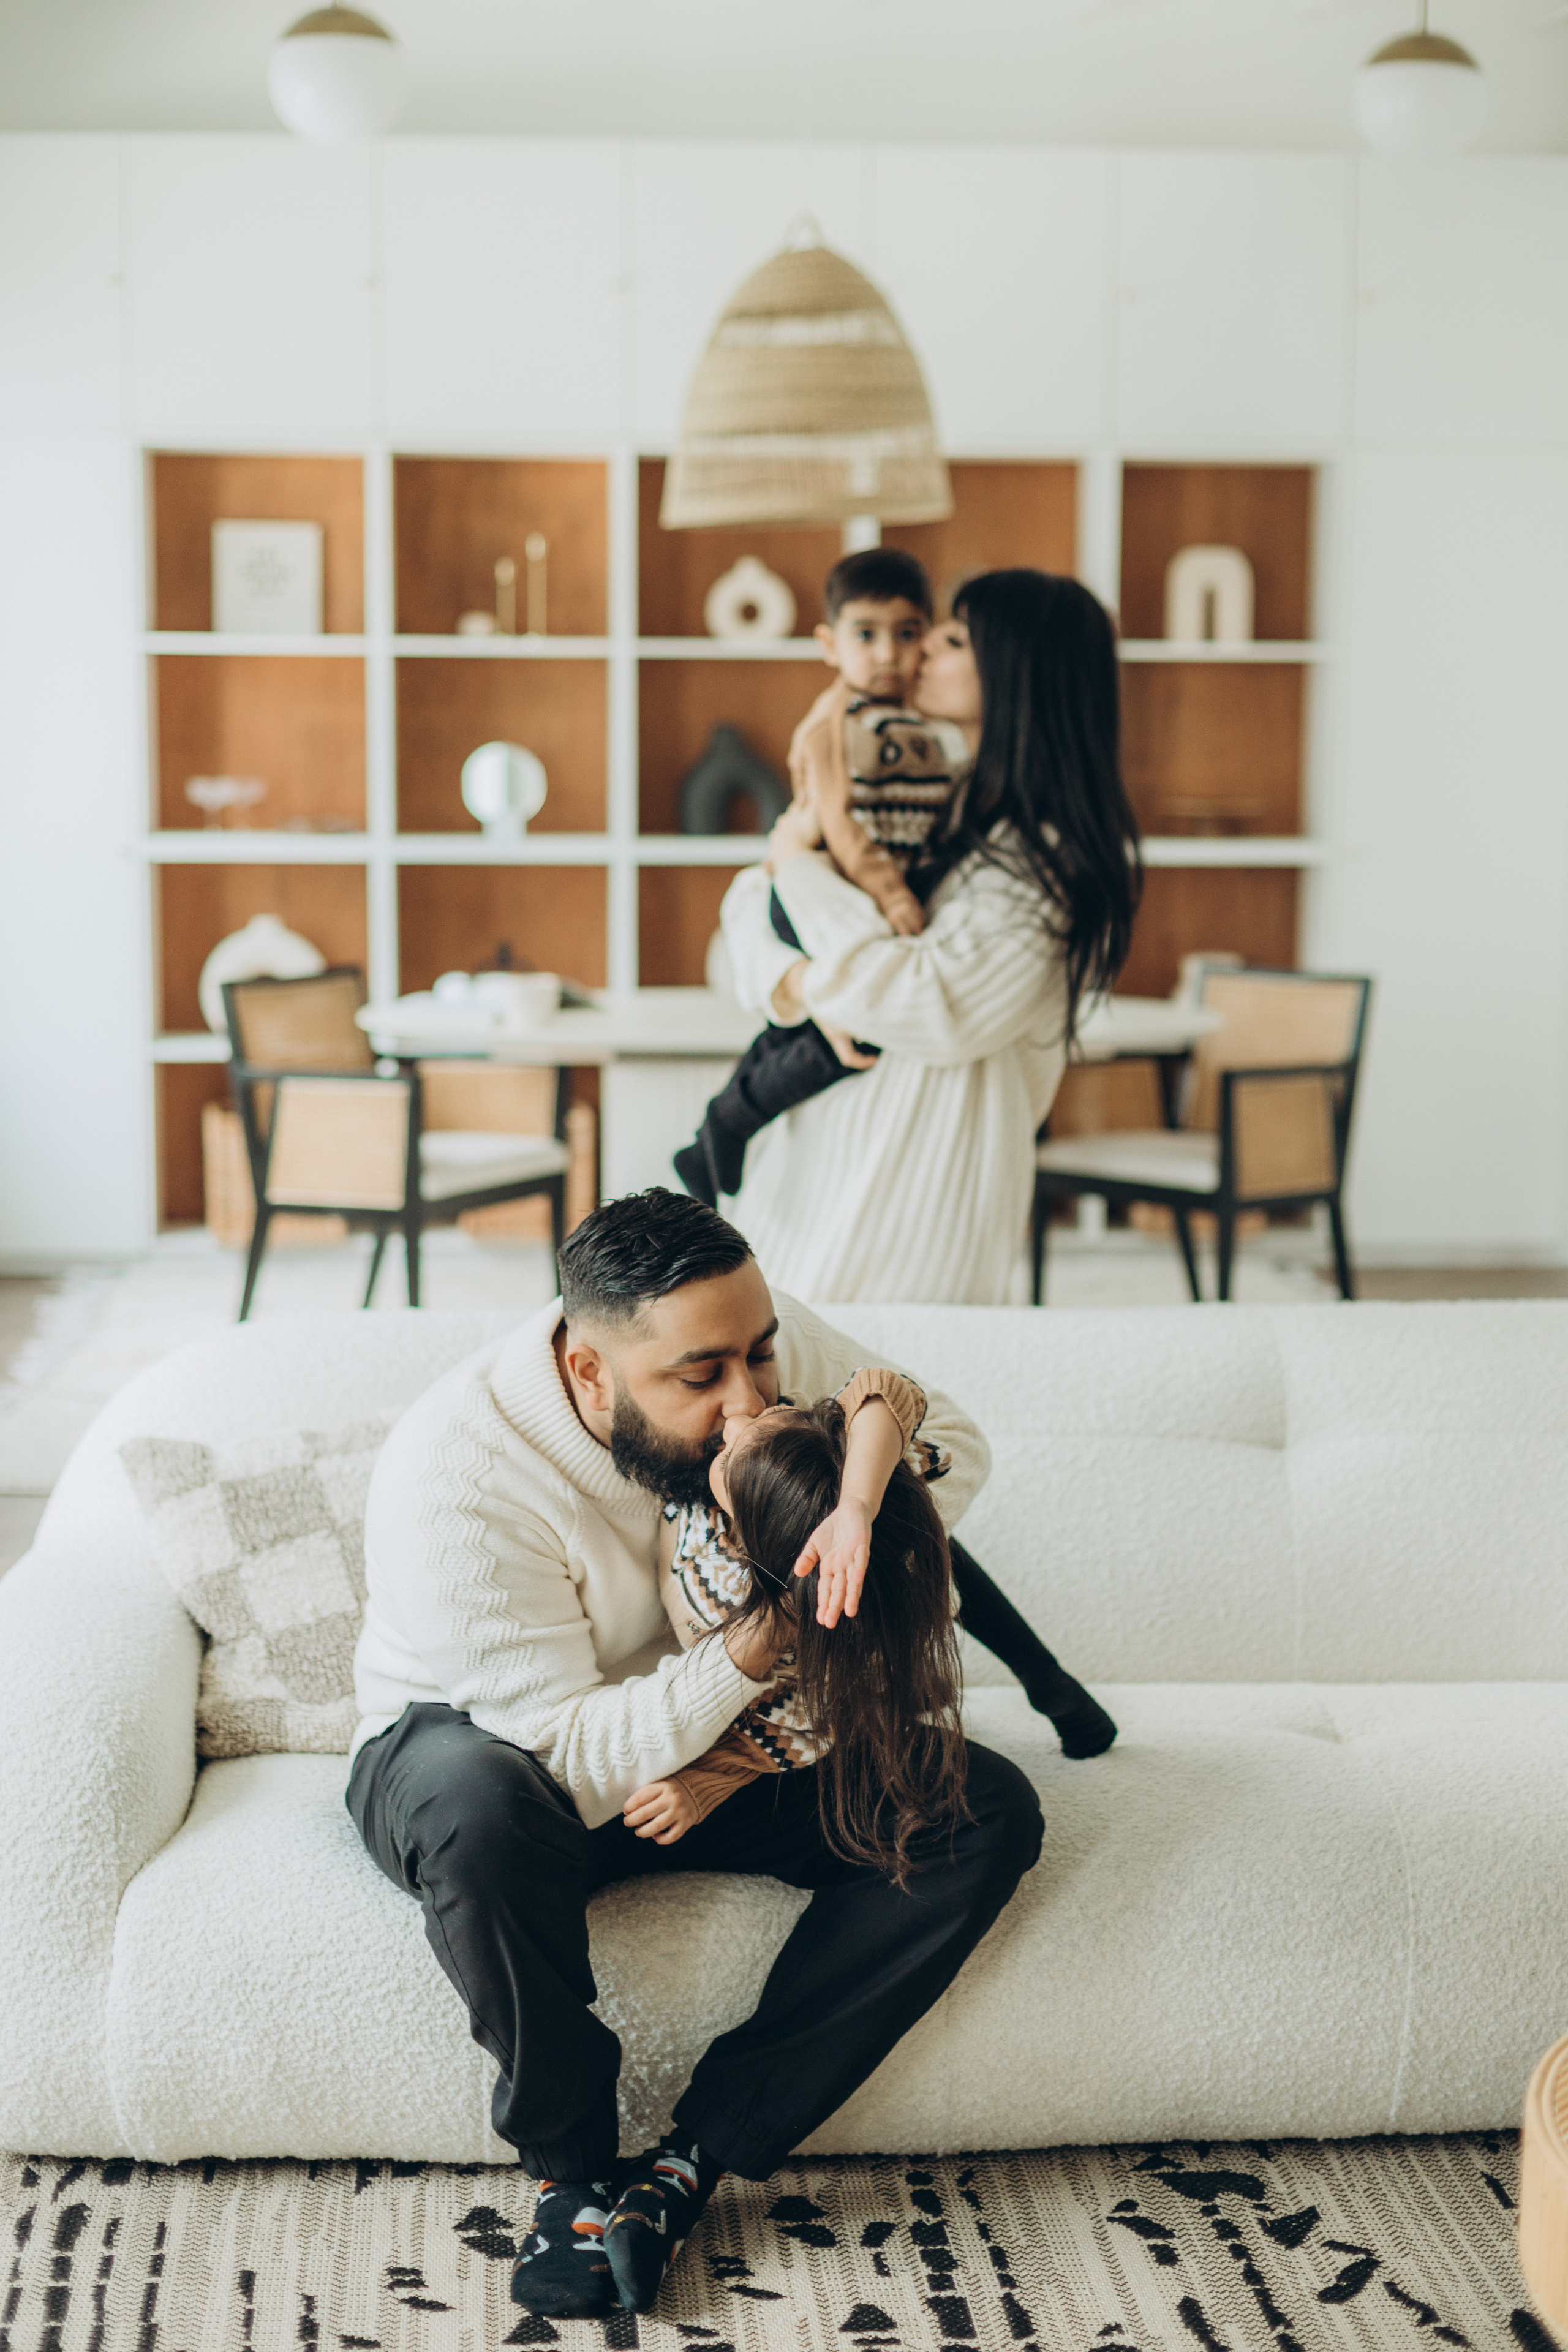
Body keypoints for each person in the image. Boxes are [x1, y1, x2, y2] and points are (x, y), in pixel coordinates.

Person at [347, 1188, 1050, 2320]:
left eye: (763, 1359)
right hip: (498, 1749)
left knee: (979, 1807)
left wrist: (846, 1512)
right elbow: (573, 1760)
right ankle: (571, 2174)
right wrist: (767, 1634)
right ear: (589, 1372)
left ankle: (690, 2165)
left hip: (733, 1739)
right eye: (700, 1379)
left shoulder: (745, 1344)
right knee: (483, 1816)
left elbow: (950, 1445)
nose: (750, 1403)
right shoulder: (456, 1469)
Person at [718, 567, 1144, 1303]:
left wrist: (797, 873)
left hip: (911, 1210)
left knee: (871, 1402)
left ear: (1016, 673)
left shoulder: (1042, 863)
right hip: (811, 1176)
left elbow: (931, 1005)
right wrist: (803, 986)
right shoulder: (921, 793)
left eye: (948, 640)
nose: (915, 655)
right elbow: (746, 909)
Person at [675, 547, 971, 1207]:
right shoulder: (832, 725)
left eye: (907, 633)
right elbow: (835, 820)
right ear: (828, 645)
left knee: (799, 1032)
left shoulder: (919, 721)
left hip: (858, 895)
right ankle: (731, 1121)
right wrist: (894, 894)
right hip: (825, 892)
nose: (888, 654)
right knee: (843, 1038)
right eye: (866, 635)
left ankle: (716, 1129)